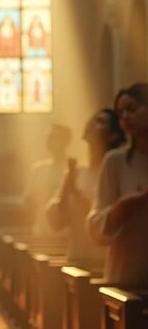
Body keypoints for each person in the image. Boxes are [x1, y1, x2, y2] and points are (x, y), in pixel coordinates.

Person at [88, 83, 148, 286]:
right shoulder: (115, 161)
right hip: (127, 274)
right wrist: (122, 208)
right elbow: (95, 225)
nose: (125, 117)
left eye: (132, 109)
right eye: (120, 112)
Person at [46, 109, 125, 261]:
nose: (91, 124)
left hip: (104, 259)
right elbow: (56, 223)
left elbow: (103, 217)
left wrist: (75, 191)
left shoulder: (117, 171)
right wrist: (67, 186)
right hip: (77, 258)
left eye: (100, 121)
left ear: (113, 135)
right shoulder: (76, 172)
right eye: (93, 120)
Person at [22, 124, 72, 235]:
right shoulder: (38, 169)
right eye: (48, 136)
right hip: (41, 231)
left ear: (65, 141)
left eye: (54, 136)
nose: (49, 140)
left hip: (66, 232)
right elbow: (29, 201)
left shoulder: (72, 169)